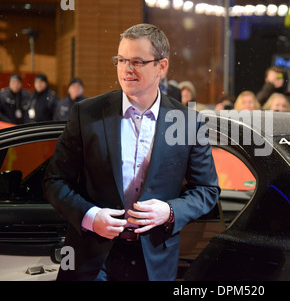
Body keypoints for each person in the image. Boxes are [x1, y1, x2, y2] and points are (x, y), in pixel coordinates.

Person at [43, 23, 220, 281]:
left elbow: (207, 190)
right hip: (91, 258)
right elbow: (54, 181)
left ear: (162, 66)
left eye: (137, 61)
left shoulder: (188, 122)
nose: (126, 69)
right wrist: (90, 216)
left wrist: (170, 211)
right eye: (121, 59)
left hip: (154, 262)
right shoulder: (87, 113)